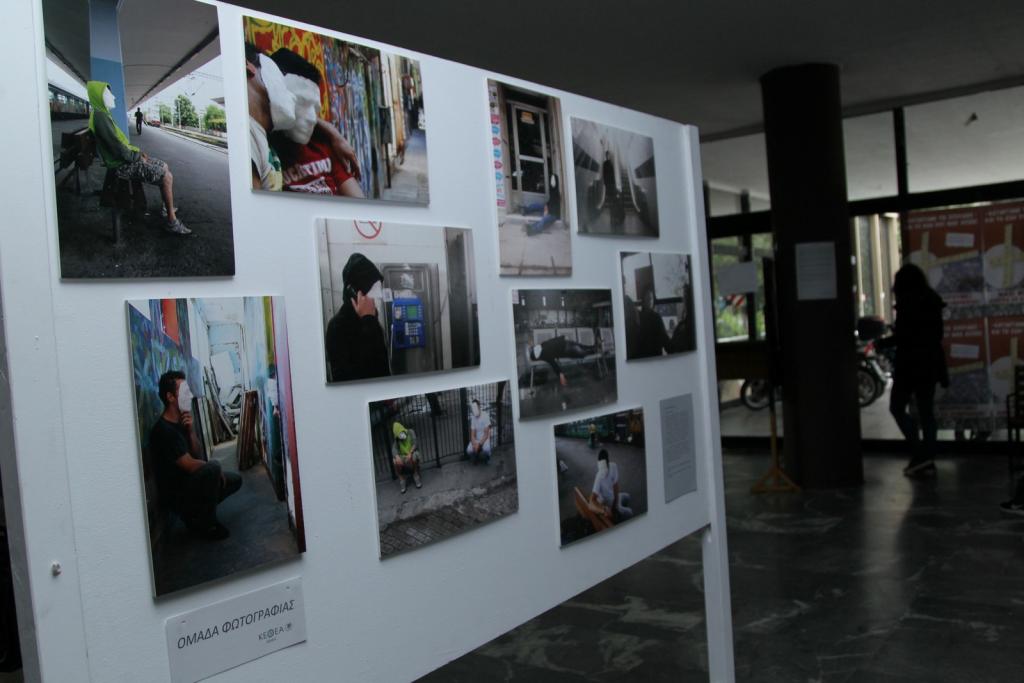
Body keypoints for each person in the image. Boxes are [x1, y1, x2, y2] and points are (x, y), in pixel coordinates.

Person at [244, 43, 362, 194]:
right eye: (303, 103)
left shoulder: (322, 145)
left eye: (315, 108)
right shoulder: (256, 140)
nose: (312, 118)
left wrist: (333, 133)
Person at [149, 370, 242, 540]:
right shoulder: (164, 431)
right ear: (170, 397)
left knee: (235, 480)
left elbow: (197, 453)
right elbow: (190, 465)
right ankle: (208, 525)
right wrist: (215, 469)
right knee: (213, 467)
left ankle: (197, 516)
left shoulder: (181, 422)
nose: (190, 396)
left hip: (189, 483)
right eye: (185, 392)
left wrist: (191, 431)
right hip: (177, 494)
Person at [87, 81, 189, 234]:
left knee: (164, 166)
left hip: (123, 160)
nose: (113, 97)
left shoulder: (102, 115)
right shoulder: (100, 116)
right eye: (108, 94)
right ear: (99, 97)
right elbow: (117, 147)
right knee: (167, 176)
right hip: (120, 166)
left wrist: (138, 154)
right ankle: (171, 221)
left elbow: (119, 144)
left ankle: (166, 208)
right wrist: (137, 157)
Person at [876, 263, 948, 477]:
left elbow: (904, 337)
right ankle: (927, 457)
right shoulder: (932, 301)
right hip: (930, 364)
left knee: (897, 408)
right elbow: (936, 336)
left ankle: (920, 453)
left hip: (909, 365)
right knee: (927, 413)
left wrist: (883, 343)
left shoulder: (908, 304)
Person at [324, 253, 390, 381]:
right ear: (355, 292)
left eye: (379, 289)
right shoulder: (337, 326)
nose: (379, 296)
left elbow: (383, 366)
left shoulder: (371, 319)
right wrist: (368, 322)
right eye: (373, 289)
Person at [529, 334, 603, 387]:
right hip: (566, 341)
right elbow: (552, 340)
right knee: (582, 346)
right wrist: (563, 337)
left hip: (567, 349)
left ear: (537, 357)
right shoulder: (542, 344)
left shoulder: (544, 355)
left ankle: (596, 350)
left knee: (582, 354)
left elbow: (553, 364)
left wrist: (561, 375)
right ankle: (596, 346)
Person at [588, 449, 633, 524]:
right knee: (630, 512)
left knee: (628, 497)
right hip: (606, 501)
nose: (604, 474)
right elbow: (590, 504)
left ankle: (619, 505)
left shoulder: (613, 466)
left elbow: (616, 486)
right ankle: (620, 509)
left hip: (613, 496)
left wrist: (615, 505)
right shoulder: (598, 477)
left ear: (608, 463)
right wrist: (603, 510)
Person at [631, 287, 671, 358]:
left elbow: (664, 339)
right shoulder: (639, 317)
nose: (649, 301)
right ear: (643, 300)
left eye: (651, 298)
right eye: (647, 298)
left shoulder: (656, 317)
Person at [391, 421, 421, 494]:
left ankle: (415, 474)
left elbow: (415, 443)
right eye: (398, 434)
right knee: (394, 461)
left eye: (401, 432)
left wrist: (410, 453)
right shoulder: (397, 439)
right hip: (403, 456)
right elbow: (394, 449)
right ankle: (402, 479)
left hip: (412, 452)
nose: (400, 435)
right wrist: (397, 457)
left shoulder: (410, 432)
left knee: (414, 457)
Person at [465, 399, 492, 464]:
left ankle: (487, 456)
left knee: (486, 449)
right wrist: (474, 443)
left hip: (484, 439)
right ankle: (476, 455)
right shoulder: (473, 417)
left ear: (479, 406)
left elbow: (486, 434)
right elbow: (472, 434)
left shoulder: (485, 415)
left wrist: (479, 445)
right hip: (476, 439)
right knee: (468, 450)